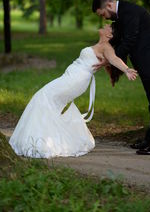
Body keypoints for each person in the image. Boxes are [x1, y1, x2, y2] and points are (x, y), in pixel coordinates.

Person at [9, 24, 137, 158]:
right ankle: (40, 140)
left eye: (109, 27)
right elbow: (107, 60)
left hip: (76, 79)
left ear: (109, 35)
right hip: (72, 76)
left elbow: (114, 59)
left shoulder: (107, 48)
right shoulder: (100, 46)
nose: (105, 25)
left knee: (43, 97)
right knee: (47, 101)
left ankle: (39, 143)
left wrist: (126, 70)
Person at [92, 0, 150, 155]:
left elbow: (129, 40)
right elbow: (119, 38)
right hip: (148, 62)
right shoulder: (122, 14)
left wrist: (110, 60)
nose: (104, 19)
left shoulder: (129, 11)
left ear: (108, 5)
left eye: (102, 14)